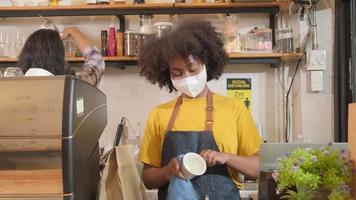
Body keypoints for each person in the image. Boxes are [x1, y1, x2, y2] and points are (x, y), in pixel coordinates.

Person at [138, 20, 262, 200]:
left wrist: (227, 157)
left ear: (207, 64)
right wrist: (168, 172)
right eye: (177, 73)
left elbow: (258, 168)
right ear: (167, 74)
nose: (186, 77)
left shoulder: (234, 109)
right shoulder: (159, 114)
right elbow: (148, 178)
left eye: (192, 68)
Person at [18, 27, 104, 87]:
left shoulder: (15, 83)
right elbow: (96, 59)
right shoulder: (74, 84)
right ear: (59, 56)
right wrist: (72, 31)